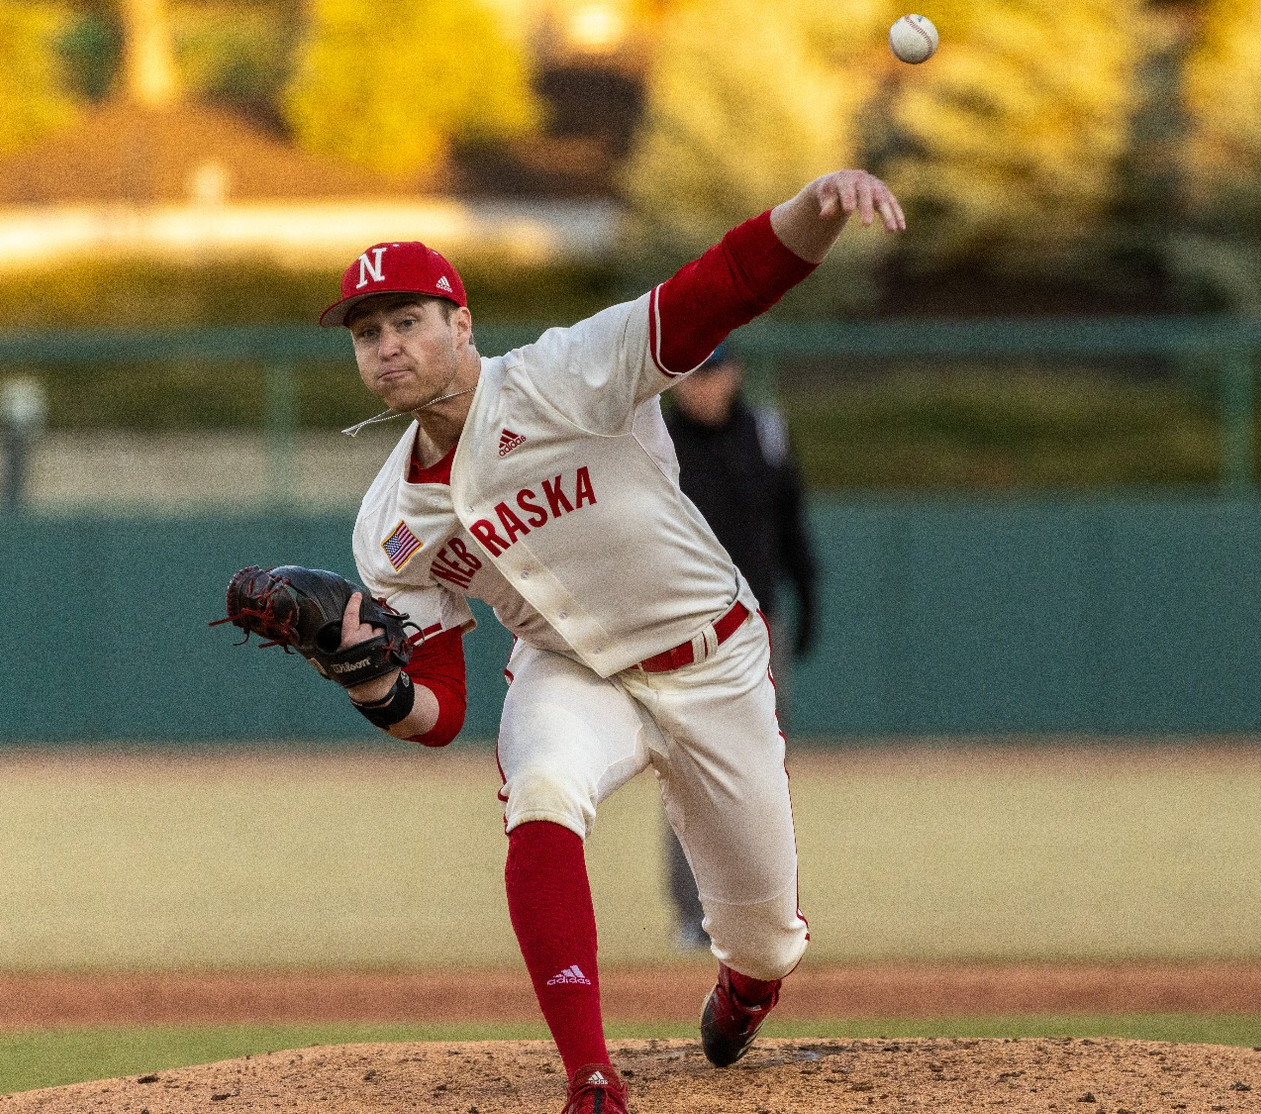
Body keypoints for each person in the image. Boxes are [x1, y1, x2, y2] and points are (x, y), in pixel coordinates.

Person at [322, 169, 905, 1114]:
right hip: (570, 671)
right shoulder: (389, 522)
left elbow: (720, 286)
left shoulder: (566, 374)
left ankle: (747, 984)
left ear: (461, 325)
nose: (386, 347)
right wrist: (366, 682)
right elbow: (440, 713)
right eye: (366, 333)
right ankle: (591, 1077)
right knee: (542, 790)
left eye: (406, 322)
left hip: (711, 661)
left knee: (764, 936)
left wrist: (815, 210)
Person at [659, 344, 820, 951]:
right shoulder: (654, 439)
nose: (701, 386)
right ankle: (691, 913)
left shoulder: (767, 433)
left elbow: (791, 524)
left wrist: (806, 599)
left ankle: (764, 911)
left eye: (712, 372)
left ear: (735, 373)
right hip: (681, 630)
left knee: (760, 771)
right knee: (687, 770)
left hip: (757, 623)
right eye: (690, 374)